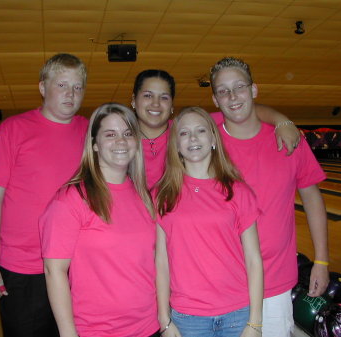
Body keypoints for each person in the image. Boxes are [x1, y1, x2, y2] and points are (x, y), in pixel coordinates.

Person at [210, 57, 329, 337]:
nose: (232, 96)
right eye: (223, 91)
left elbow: (312, 199)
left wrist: (321, 261)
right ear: (215, 99)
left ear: (254, 90)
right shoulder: (204, 138)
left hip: (274, 281)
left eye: (239, 87)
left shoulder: (290, 140)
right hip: (220, 280)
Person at [0, 53, 88, 337]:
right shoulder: (12, 130)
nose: (70, 94)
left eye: (77, 87)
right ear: (42, 88)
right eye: (62, 85)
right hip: (24, 270)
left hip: (78, 267)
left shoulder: (90, 132)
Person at [40, 103, 160, 337]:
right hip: (96, 330)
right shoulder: (72, 199)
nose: (121, 141)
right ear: (94, 144)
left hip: (148, 326)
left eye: (127, 133)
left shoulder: (144, 196)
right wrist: (68, 333)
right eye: (110, 134)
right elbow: (54, 270)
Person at [155, 106, 264, 337]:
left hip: (237, 314)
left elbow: (253, 259)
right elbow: (161, 262)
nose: (193, 138)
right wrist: (164, 319)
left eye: (201, 131)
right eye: (184, 133)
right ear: (176, 145)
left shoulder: (238, 191)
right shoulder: (162, 195)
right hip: (187, 317)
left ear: (213, 139)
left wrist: (255, 322)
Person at [131, 70, 301, 189]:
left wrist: (281, 120)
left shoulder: (187, 129)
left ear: (172, 105)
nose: (155, 103)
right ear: (133, 101)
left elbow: (242, 112)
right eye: (147, 95)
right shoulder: (121, 141)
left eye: (164, 97)